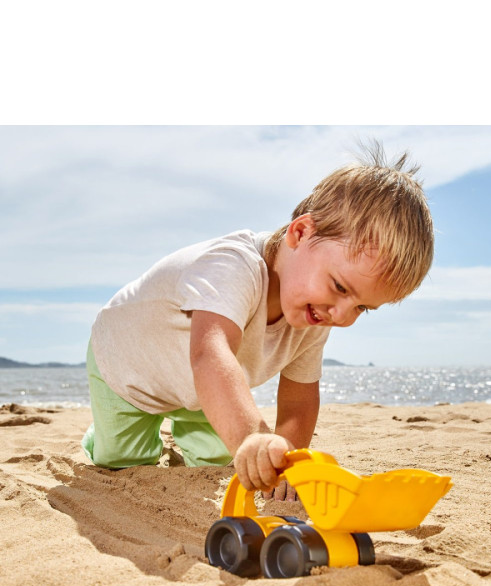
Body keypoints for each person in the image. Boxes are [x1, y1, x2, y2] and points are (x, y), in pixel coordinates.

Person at [82, 141, 434, 500]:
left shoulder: (316, 314)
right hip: (128, 367)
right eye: (340, 287)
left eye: (362, 308)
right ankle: (102, 435)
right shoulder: (233, 267)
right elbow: (209, 354)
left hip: (201, 391)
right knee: (123, 461)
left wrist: (284, 462)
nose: (342, 315)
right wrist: (252, 436)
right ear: (300, 233)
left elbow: (299, 397)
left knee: (218, 462)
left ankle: (189, 432)